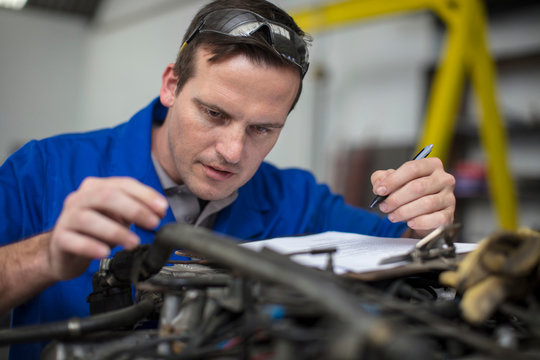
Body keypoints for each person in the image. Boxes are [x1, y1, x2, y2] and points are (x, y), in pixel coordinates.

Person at [0, 0, 455, 357]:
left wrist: (423, 215)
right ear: (171, 86)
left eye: (262, 129)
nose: (233, 152)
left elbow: (407, 252)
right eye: (214, 114)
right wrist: (45, 256)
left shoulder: (298, 202)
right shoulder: (43, 171)